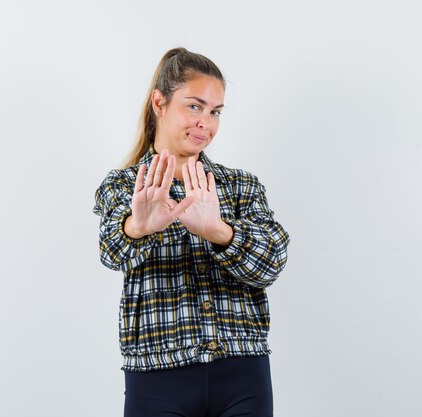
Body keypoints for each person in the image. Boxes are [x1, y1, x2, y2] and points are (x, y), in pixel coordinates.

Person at [93, 47, 290, 417]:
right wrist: (138, 227)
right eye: (195, 106)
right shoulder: (124, 185)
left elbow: (272, 264)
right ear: (159, 102)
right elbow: (109, 251)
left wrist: (219, 231)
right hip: (156, 377)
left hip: (242, 372)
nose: (206, 123)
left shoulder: (240, 186)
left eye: (215, 112)